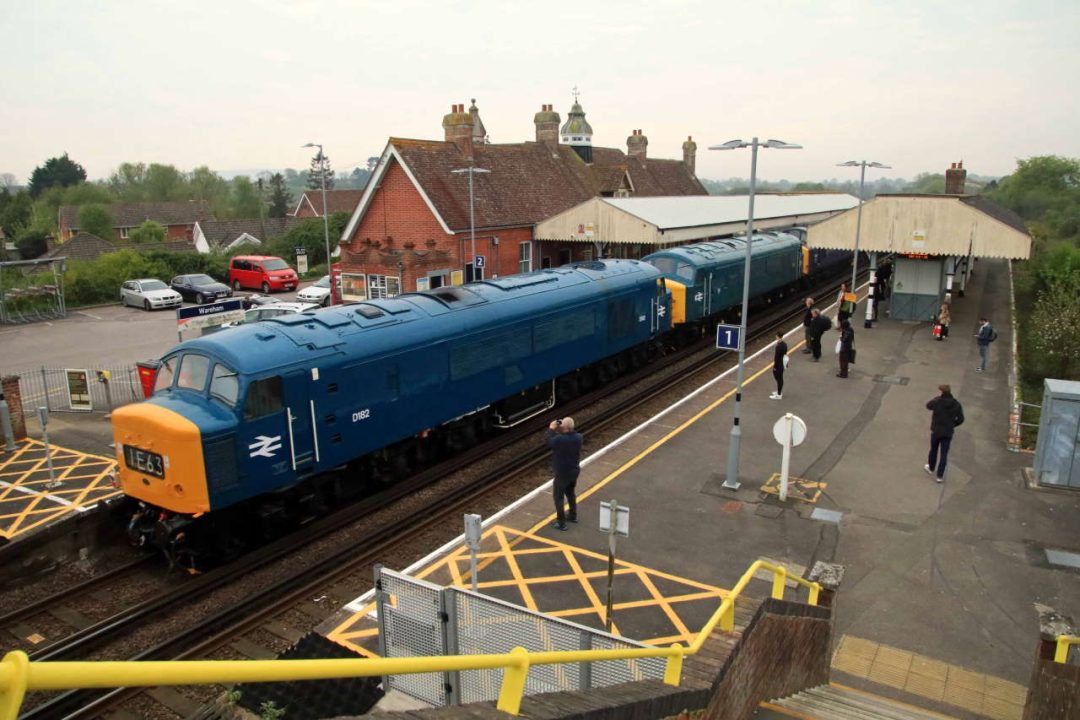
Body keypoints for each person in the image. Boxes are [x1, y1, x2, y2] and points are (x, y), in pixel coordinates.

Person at [546, 417, 583, 531]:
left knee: (558, 497)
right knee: (570, 493)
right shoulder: (579, 437)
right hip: (574, 471)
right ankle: (573, 515)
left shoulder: (560, 439)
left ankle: (561, 523)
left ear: (565, 427)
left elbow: (549, 442)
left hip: (562, 473)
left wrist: (552, 428)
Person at [924, 385, 964, 482]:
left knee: (933, 450)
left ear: (942, 392)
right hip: (947, 432)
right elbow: (961, 419)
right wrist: (952, 425)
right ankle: (939, 476)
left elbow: (928, 406)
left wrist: (935, 399)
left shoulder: (938, 402)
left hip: (936, 431)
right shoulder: (956, 404)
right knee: (944, 454)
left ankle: (931, 467)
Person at [771, 332, 788, 399]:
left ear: (778, 336)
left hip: (779, 365)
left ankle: (779, 394)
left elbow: (777, 357)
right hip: (782, 363)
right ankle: (779, 391)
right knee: (779, 378)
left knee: (778, 378)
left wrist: (775, 366)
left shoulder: (779, 346)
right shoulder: (784, 344)